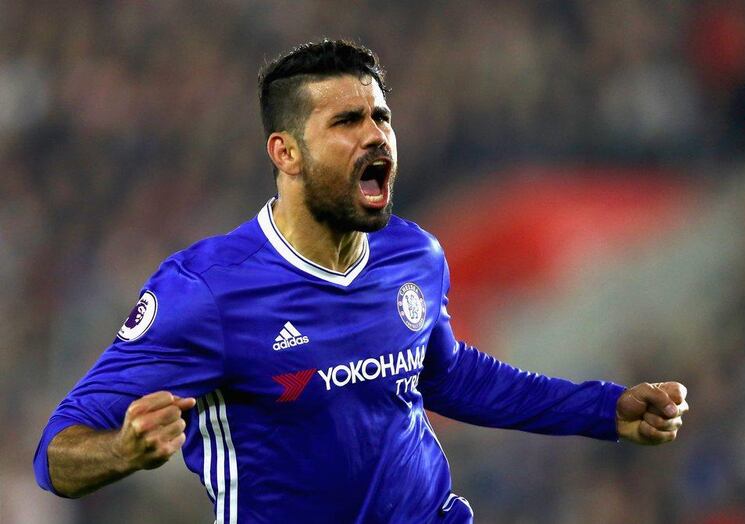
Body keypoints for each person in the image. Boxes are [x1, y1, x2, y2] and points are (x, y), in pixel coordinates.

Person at [34, 40, 688, 524]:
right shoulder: (205, 290)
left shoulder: (414, 255)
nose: (376, 135)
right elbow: (57, 457)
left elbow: (447, 376)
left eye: (381, 117)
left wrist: (601, 409)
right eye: (346, 122)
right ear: (285, 153)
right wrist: (122, 449)